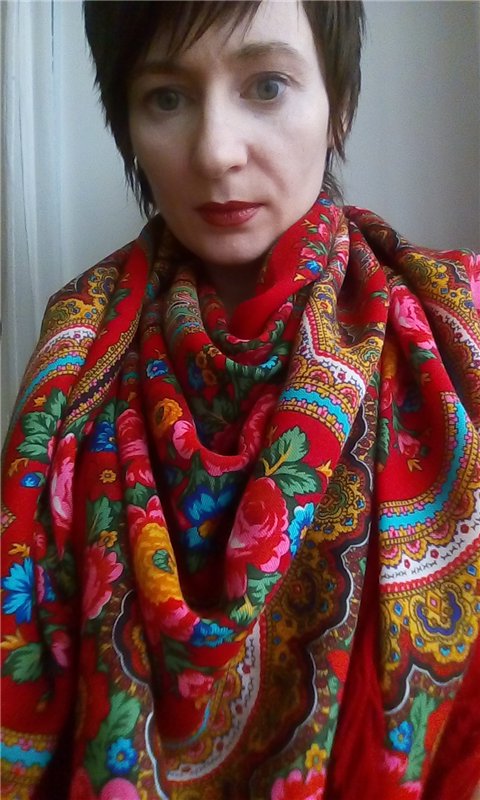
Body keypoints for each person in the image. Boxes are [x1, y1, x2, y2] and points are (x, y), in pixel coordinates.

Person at [1, 2, 479, 798]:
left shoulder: (453, 326)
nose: (216, 152)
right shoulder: (75, 350)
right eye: (166, 97)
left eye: (267, 85)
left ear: (339, 103)